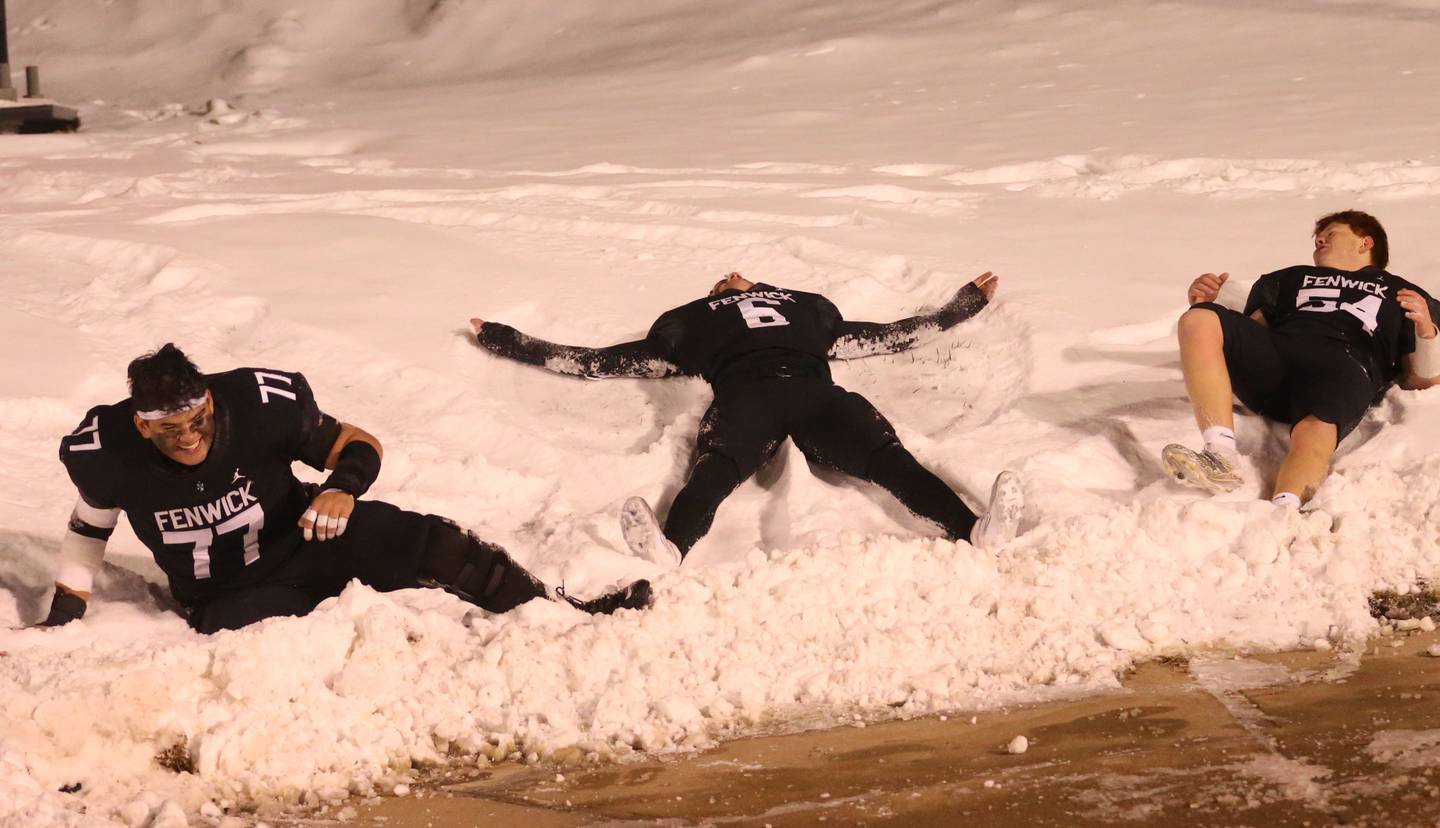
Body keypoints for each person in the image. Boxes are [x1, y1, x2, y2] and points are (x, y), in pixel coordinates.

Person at [41, 344, 651, 633]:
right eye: (168, 430)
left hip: (312, 535)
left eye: (198, 421)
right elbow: (89, 526)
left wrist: (342, 489)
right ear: (140, 424)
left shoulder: (254, 404)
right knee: (296, 646)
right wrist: (67, 610)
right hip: (226, 594)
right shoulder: (107, 448)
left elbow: (357, 442)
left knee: (438, 543)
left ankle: (560, 616)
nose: (189, 437)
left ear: (211, 402)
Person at [470, 271, 1023, 567]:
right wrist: (504, 338)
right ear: (713, 295)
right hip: (747, 398)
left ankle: (973, 529)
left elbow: (894, 334)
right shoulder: (695, 324)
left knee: (890, 460)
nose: (733, 274)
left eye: (742, 277)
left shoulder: (803, 310)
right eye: (722, 281)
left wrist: (964, 304)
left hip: (816, 395)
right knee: (713, 473)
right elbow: (595, 363)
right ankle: (672, 550)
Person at [1164, 210, 1440, 507]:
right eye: (1317, 237)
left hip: (1344, 367)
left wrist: (1426, 329)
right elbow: (1248, 329)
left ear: (1365, 242)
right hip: (1278, 356)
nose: (1319, 240)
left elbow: (1424, 378)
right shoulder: (1289, 278)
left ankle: (1286, 508)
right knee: (1199, 319)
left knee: (1315, 429)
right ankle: (1219, 455)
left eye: (1331, 233)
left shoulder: (1401, 291)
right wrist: (1209, 304)